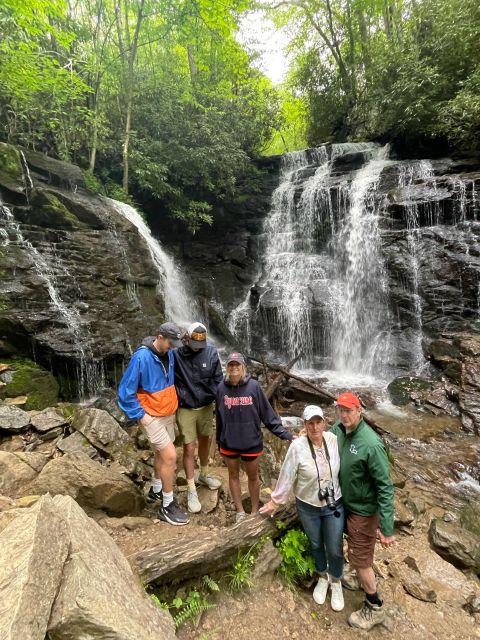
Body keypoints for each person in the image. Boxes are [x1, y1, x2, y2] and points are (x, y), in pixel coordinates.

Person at [260, 405, 345, 611]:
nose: (315, 427)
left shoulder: (334, 440)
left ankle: (336, 581)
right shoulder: (297, 446)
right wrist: (275, 501)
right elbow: (287, 474)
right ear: (304, 425)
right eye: (310, 423)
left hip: (334, 503)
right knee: (316, 543)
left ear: (324, 423)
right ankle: (322, 576)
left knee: (334, 546)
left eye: (318, 422)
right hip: (308, 506)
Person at [329, 392, 395, 630]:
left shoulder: (371, 444)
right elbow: (326, 437)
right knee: (357, 551)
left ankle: (375, 606)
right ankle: (357, 578)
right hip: (347, 503)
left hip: (364, 512)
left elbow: (385, 487)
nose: (344, 415)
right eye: (341, 410)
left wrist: (387, 528)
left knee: (361, 560)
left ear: (359, 411)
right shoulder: (338, 428)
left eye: (349, 410)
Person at [117, 322, 189, 526]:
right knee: (170, 456)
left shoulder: (170, 354)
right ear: (159, 336)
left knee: (160, 454)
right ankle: (167, 505)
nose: (172, 347)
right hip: (151, 416)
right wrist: (141, 416)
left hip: (166, 412)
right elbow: (125, 392)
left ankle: (156, 489)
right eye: (170, 342)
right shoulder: (141, 357)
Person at [215, 352, 294, 523]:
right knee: (233, 475)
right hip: (229, 442)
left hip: (251, 442)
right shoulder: (221, 388)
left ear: (243, 367)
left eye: (237, 365)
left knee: (253, 477)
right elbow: (219, 417)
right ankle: (240, 511)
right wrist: (219, 440)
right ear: (227, 367)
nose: (234, 368)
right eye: (231, 365)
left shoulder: (254, 387)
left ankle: (255, 511)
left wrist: (286, 434)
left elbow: (268, 416)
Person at [174, 322, 223, 513]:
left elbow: (218, 379)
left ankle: (203, 474)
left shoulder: (210, 352)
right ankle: (191, 488)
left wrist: (222, 403)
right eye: (194, 343)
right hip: (186, 406)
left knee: (206, 440)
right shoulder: (177, 354)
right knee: (189, 446)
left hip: (205, 405)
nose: (197, 348)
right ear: (187, 338)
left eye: (200, 345)